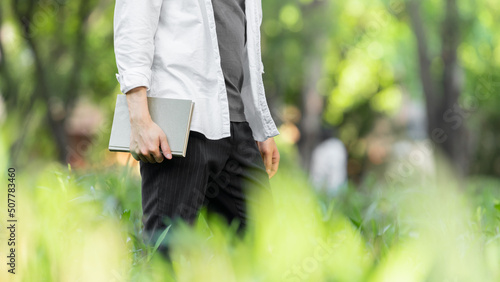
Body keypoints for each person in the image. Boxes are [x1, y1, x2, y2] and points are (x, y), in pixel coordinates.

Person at [113, 0, 280, 257]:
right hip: (178, 125)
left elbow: (247, 47)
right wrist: (140, 120)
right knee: (167, 254)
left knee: (263, 247)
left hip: (237, 123)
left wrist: (260, 126)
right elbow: (134, 21)